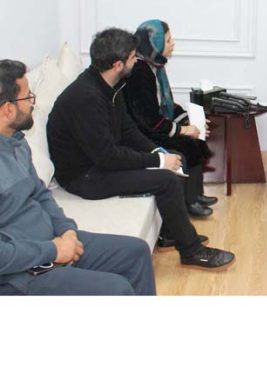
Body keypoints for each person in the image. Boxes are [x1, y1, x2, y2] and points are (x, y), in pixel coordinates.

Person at [46, 28, 235, 269]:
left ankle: (171, 235)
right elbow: (108, 157)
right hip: (84, 176)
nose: (137, 61)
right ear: (117, 64)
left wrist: (158, 152)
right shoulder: (87, 98)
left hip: (99, 163)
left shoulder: (110, 85)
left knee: (170, 166)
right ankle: (192, 251)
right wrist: (157, 163)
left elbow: (127, 130)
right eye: (133, 57)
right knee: (166, 179)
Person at [0, 59, 155, 295]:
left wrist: (67, 231)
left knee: (136, 251)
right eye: (28, 96)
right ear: (7, 109)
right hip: (21, 273)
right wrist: (53, 251)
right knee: (117, 290)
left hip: (54, 241)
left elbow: (41, 194)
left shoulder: (17, 143)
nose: (33, 103)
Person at [123, 19, 215, 218]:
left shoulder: (155, 66)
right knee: (186, 145)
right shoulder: (140, 73)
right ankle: (189, 202)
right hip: (143, 133)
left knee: (195, 142)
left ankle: (196, 195)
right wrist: (182, 130)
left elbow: (167, 104)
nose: (172, 43)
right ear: (153, 43)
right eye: (167, 40)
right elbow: (148, 119)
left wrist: (188, 121)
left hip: (153, 126)